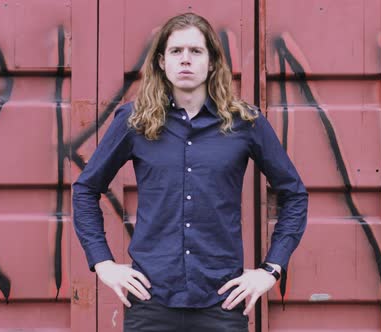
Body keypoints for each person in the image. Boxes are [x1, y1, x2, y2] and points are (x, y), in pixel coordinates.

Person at [72, 12, 308, 332]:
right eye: (176, 51)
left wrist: (271, 270)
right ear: (161, 62)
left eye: (196, 52)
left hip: (221, 301)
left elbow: (293, 193)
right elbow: (86, 188)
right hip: (151, 301)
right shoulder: (134, 120)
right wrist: (102, 263)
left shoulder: (245, 122)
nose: (186, 60)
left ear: (211, 62)